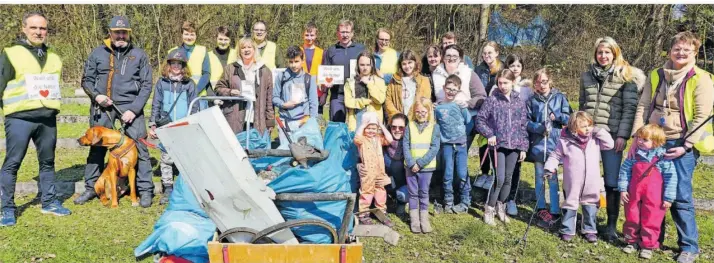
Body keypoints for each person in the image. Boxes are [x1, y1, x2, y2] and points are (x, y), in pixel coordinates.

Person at [631, 31, 714, 263]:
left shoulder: (701, 78)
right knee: (652, 193)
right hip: (654, 141)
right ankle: (652, 238)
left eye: (686, 49)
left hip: (681, 143)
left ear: (694, 52)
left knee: (679, 195)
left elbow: (702, 116)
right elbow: (643, 105)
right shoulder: (656, 75)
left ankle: (689, 246)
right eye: (677, 48)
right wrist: (638, 137)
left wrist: (686, 146)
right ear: (670, 51)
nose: (681, 53)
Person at [75, 15, 154, 208]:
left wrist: (134, 110)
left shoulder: (140, 55)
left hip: (130, 108)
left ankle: (145, 190)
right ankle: (91, 188)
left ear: (129, 34)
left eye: (124, 32)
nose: (120, 35)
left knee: (140, 149)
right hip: (103, 107)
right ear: (109, 33)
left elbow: (146, 85)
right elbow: (86, 81)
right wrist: (97, 96)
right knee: (96, 148)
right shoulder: (97, 53)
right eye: (117, 32)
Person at [0, 12, 71, 226]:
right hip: (19, 118)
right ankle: (6, 209)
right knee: (12, 163)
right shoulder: (11, 53)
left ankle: (49, 202)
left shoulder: (55, 57)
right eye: (34, 28)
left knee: (48, 162)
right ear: (24, 29)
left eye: (43, 28)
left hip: (47, 119)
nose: (39, 32)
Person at [579, 36, 646, 241]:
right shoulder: (586, 76)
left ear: (615, 53)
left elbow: (630, 109)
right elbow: (583, 105)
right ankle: (586, 221)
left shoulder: (626, 76)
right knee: (587, 177)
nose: (603, 56)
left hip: (612, 135)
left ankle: (610, 224)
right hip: (589, 135)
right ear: (595, 54)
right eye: (600, 52)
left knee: (612, 180)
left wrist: (622, 135)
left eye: (607, 52)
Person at [544, 111, 614, 243]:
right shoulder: (565, 142)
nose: (588, 129)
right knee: (570, 203)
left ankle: (589, 229)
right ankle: (567, 229)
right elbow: (555, 155)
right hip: (573, 181)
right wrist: (549, 167)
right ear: (574, 128)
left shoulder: (595, 139)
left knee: (591, 204)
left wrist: (599, 130)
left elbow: (610, 144)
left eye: (589, 125)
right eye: (583, 126)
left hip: (591, 181)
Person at [475, 69, 529, 225]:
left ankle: (501, 207)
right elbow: (480, 120)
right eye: (500, 83)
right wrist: (489, 134)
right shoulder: (492, 100)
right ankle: (489, 209)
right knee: (498, 179)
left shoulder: (519, 102)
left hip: (515, 146)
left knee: (508, 179)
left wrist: (523, 147)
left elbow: (523, 125)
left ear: (513, 82)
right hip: (497, 146)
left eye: (506, 83)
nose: (503, 86)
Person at [618, 124, 677, 260]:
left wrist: (668, 198)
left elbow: (671, 178)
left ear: (655, 142)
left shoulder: (663, 158)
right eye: (639, 138)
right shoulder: (634, 155)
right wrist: (622, 189)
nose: (639, 141)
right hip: (633, 193)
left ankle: (647, 245)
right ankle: (631, 241)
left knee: (652, 218)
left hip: (654, 196)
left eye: (644, 140)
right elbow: (624, 172)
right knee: (632, 215)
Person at [148, 49, 198, 205]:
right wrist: (153, 124)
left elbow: (194, 105)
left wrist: (192, 123)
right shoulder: (162, 83)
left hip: (183, 126)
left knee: (186, 158)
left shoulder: (189, 84)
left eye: (179, 64)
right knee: (166, 158)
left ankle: (186, 188)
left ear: (184, 66)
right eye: (173, 63)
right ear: (168, 65)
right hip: (166, 125)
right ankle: (168, 187)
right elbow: (156, 104)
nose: (176, 66)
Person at [524, 68, 571, 227]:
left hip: (554, 145)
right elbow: (526, 122)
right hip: (538, 145)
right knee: (538, 176)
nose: (541, 85)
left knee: (552, 177)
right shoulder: (531, 100)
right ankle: (540, 207)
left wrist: (557, 116)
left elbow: (569, 118)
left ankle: (555, 208)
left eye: (544, 81)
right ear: (534, 84)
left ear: (549, 81)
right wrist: (538, 128)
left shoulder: (560, 98)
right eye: (537, 82)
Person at [214, 37, 275, 135]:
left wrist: (270, 121)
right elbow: (218, 88)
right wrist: (230, 92)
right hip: (235, 117)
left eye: (249, 47)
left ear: (254, 49)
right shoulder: (230, 68)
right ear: (239, 51)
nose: (246, 50)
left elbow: (269, 98)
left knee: (255, 148)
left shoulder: (265, 71)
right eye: (243, 48)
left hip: (257, 118)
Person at [357, 114, 410, 217]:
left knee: (403, 193)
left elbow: (412, 174)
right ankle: (372, 205)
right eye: (393, 127)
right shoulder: (380, 141)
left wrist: (391, 180)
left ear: (406, 128)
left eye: (401, 127)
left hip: (401, 183)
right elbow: (364, 153)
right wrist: (358, 164)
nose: (397, 130)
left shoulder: (409, 145)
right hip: (378, 181)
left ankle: (400, 202)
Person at [502, 54, 535, 216]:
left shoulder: (526, 89)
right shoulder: (501, 83)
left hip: (518, 135)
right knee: (501, 170)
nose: (515, 69)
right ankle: (498, 200)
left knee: (515, 168)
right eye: (511, 65)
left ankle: (511, 200)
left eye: (518, 66)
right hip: (502, 135)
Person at [434, 75, 472, 214]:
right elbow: (434, 124)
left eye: (454, 90)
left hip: (461, 144)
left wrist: (464, 108)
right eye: (448, 89)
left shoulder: (460, 105)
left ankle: (465, 201)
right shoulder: (438, 108)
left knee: (462, 173)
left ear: (458, 91)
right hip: (447, 145)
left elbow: (468, 120)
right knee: (448, 173)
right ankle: (448, 201)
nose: (450, 92)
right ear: (444, 88)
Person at [403, 97, 440, 233]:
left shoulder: (434, 127)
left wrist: (420, 163)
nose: (421, 114)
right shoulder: (410, 126)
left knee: (423, 193)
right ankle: (414, 220)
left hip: (426, 167)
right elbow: (405, 145)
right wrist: (412, 163)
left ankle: (424, 219)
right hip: (410, 167)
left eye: (424, 112)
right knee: (413, 193)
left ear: (429, 111)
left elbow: (435, 147)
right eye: (418, 111)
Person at [354, 111, 394, 227]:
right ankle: (363, 214)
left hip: (379, 170)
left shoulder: (378, 139)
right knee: (366, 191)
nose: (371, 131)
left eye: (374, 128)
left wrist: (381, 125)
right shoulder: (362, 140)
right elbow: (356, 138)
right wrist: (362, 125)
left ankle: (381, 211)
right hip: (368, 171)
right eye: (368, 128)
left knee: (380, 190)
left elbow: (390, 139)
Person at [272, 46, 318, 148]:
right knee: (285, 152)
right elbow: (274, 97)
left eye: (296, 61)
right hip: (284, 122)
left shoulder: (309, 79)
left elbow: (313, 103)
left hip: (302, 122)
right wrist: (283, 104)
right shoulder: (281, 76)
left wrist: (310, 121)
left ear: (302, 61)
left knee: (302, 152)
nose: (293, 65)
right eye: (291, 62)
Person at [322, 19, 365, 122]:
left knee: (357, 126)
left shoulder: (361, 49)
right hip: (337, 94)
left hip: (357, 93)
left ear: (352, 33)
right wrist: (324, 93)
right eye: (342, 32)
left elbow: (368, 69)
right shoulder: (331, 50)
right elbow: (326, 73)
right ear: (337, 33)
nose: (345, 35)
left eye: (347, 32)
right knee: (337, 125)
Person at [474, 41, 505, 183]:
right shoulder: (479, 69)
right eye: (484, 53)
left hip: (499, 110)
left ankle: (496, 171)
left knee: (497, 141)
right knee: (483, 140)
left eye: (490, 53)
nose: (487, 56)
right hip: (483, 109)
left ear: (497, 53)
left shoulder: (503, 68)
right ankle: (484, 171)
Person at [168, 21, 211, 110]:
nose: (189, 37)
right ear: (181, 34)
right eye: (186, 34)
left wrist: (195, 91)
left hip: (199, 97)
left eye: (192, 34)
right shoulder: (172, 51)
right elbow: (167, 74)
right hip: (178, 96)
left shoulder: (202, 50)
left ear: (196, 35)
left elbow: (206, 74)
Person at [344, 50, 386, 131]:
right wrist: (365, 101)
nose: (365, 68)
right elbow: (348, 102)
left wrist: (369, 84)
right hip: (356, 120)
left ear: (372, 65)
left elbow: (380, 99)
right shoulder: (350, 82)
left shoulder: (379, 81)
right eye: (362, 65)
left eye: (368, 65)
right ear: (357, 65)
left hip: (373, 122)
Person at [385, 50, 431, 120]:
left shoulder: (424, 81)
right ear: (400, 65)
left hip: (416, 119)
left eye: (410, 63)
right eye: (404, 64)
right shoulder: (394, 81)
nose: (407, 66)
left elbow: (425, 101)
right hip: (399, 120)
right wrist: (397, 115)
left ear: (415, 63)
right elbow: (388, 100)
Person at [300, 22, 325, 114]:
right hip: (301, 89)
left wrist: (324, 94)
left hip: (317, 91)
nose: (309, 38)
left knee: (317, 118)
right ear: (302, 35)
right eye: (307, 35)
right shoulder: (299, 51)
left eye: (312, 35)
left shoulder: (321, 52)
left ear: (316, 36)